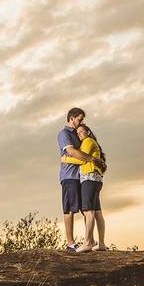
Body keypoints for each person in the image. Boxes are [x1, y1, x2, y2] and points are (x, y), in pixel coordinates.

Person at [57, 107, 105, 251]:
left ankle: (89, 240)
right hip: (70, 176)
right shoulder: (64, 133)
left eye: (82, 120)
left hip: (83, 176)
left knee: (87, 209)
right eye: (79, 119)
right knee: (70, 209)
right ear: (71, 118)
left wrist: (90, 159)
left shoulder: (81, 136)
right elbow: (71, 152)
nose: (81, 122)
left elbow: (83, 154)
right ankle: (71, 243)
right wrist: (91, 159)